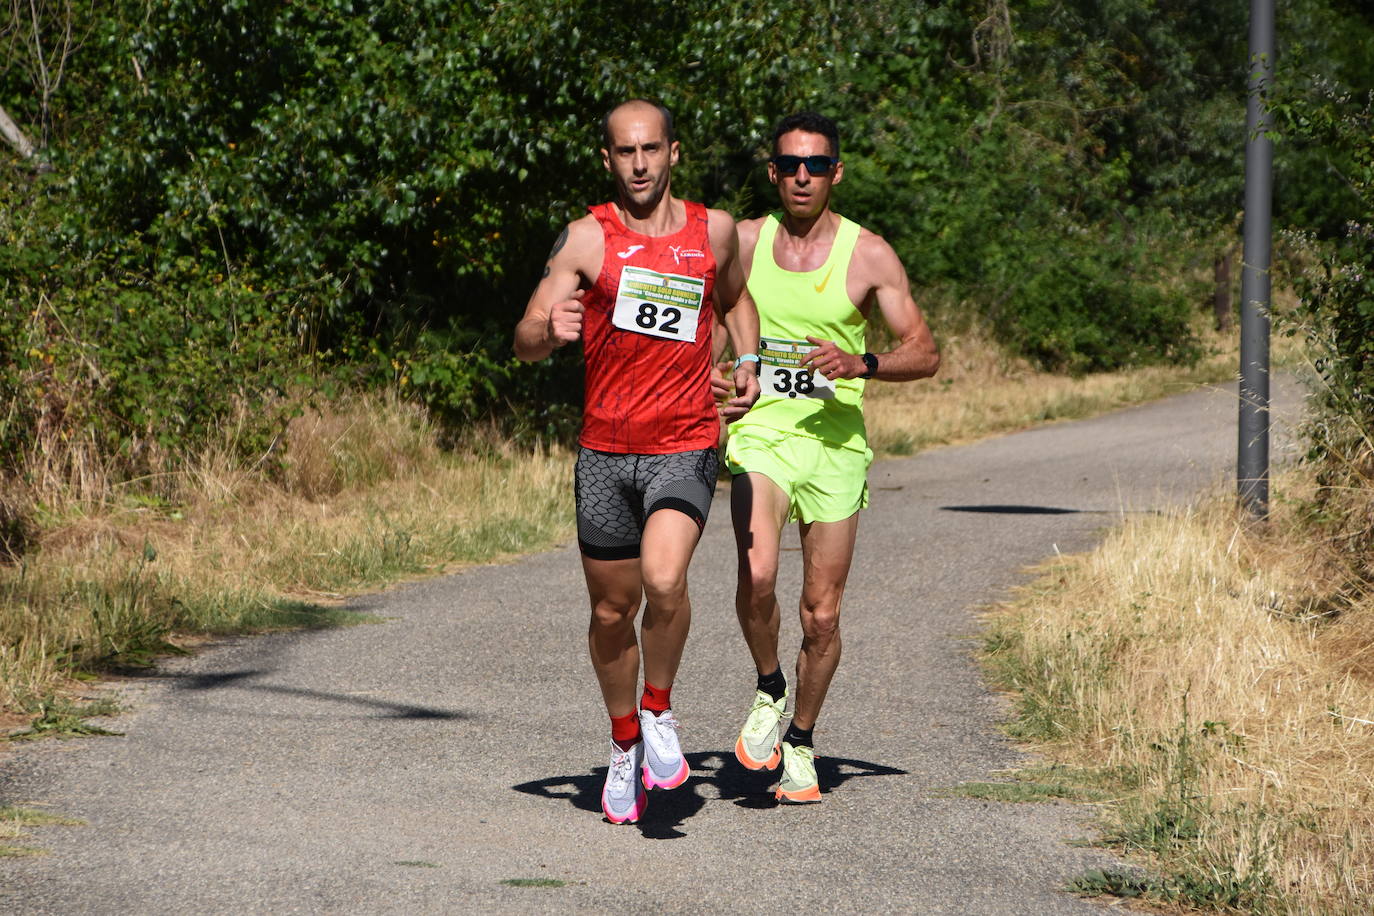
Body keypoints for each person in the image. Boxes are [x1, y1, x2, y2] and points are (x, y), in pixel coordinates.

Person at [514, 99, 760, 824]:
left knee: (664, 577)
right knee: (611, 610)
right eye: (626, 152)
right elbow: (525, 336)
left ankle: (658, 711)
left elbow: (736, 300)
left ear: (674, 152)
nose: (640, 164)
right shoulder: (587, 240)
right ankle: (624, 746)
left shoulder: (712, 229)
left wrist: (747, 360)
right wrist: (546, 330)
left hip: (684, 440)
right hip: (603, 455)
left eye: (651, 149)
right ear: (608, 160)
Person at [726, 111, 939, 802]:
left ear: (836, 173)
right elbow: (705, 321)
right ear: (773, 173)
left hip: (836, 443)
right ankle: (768, 688)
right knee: (757, 573)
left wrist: (862, 360)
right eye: (789, 164)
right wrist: (713, 377)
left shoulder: (868, 253)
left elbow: (925, 352)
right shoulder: (744, 240)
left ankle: (802, 740)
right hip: (763, 432)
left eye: (815, 165)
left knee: (822, 614)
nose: (801, 177)